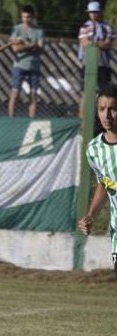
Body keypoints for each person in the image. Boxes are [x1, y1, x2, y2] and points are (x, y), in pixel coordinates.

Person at [78, 83, 117, 275]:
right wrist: (91, 215)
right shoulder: (94, 150)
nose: (107, 115)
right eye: (102, 109)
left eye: (112, 109)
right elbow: (104, 184)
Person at [8, 5, 45, 118]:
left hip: (34, 66)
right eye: (24, 17)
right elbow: (15, 48)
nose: (26, 19)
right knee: (15, 93)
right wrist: (31, 46)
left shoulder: (39, 31)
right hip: (19, 65)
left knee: (33, 95)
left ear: (32, 17)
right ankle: (10, 118)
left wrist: (23, 45)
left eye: (28, 17)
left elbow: (41, 48)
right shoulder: (17, 29)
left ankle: (31, 119)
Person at [78, 2, 115, 93]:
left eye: (95, 12)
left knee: (105, 91)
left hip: (103, 63)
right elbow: (85, 43)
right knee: (86, 92)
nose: (93, 14)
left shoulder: (107, 27)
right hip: (88, 63)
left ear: (100, 12)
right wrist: (100, 43)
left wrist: (94, 43)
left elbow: (108, 43)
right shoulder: (84, 26)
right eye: (91, 12)